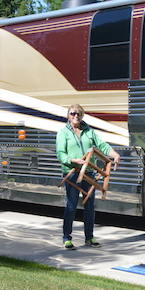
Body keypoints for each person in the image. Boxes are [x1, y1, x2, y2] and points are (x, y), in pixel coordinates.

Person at [56, 104, 120, 250]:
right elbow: (60, 154)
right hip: (72, 172)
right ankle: (67, 238)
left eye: (78, 113)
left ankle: (89, 237)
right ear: (68, 115)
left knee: (90, 206)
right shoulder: (63, 133)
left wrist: (115, 155)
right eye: (73, 113)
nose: (76, 116)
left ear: (82, 115)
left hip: (89, 172)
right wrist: (73, 160)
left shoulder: (89, 132)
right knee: (71, 206)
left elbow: (102, 146)